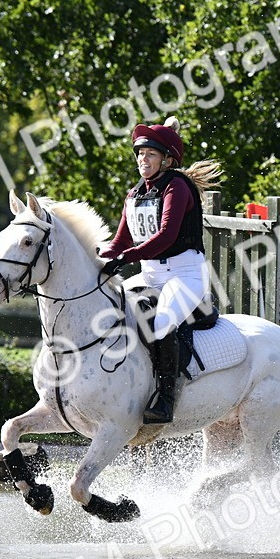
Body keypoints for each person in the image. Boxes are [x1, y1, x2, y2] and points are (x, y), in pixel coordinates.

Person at [98, 116, 223, 424]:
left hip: (185, 274)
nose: (143, 159)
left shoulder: (177, 187)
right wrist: (98, 256)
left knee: (163, 323)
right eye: (140, 153)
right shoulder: (135, 193)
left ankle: (166, 399)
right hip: (150, 274)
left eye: (150, 154)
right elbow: (121, 241)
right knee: (111, 310)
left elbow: (166, 236)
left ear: (167, 160)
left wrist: (125, 257)